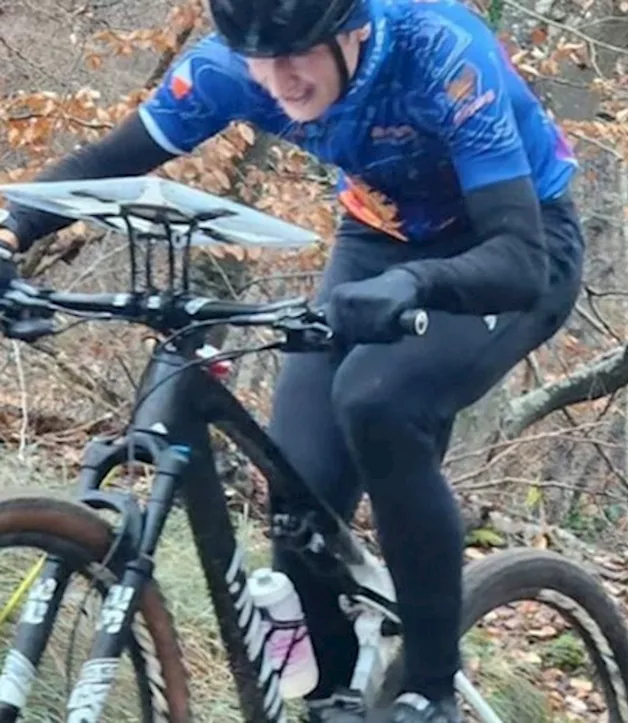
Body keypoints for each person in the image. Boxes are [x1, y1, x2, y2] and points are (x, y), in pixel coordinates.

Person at [0, 0, 584, 720]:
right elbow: (108, 164)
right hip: (378, 238)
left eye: (298, 54)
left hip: (514, 243)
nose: (279, 80)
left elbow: (519, 260)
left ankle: (429, 687)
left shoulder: (441, 52)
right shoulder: (229, 68)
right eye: (261, 59)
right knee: (297, 477)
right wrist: (11, 230)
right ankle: (332, 697)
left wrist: (418, 282)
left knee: (378, 399)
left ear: (352, 30)